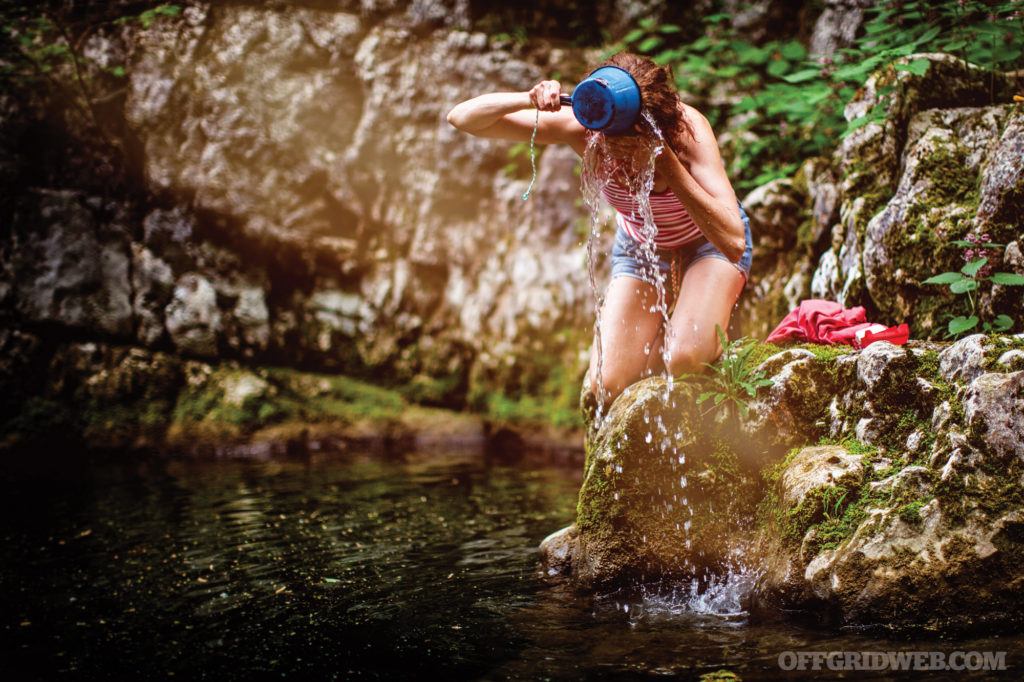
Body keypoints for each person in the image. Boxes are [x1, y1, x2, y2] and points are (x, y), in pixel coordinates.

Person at [446, 52, 753, 407]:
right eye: (609, 145)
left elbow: (733, 242)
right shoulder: (586, 128)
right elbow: (463, 118)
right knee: (607, 383)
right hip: (642, 248)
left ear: (656, 129)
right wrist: (527, 99)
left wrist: (667, 163)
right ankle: (675, 316)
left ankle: (696, 315)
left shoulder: (688, 133)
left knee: (683, 360)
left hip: (707, 243)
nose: (617, 158)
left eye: (627, 147)